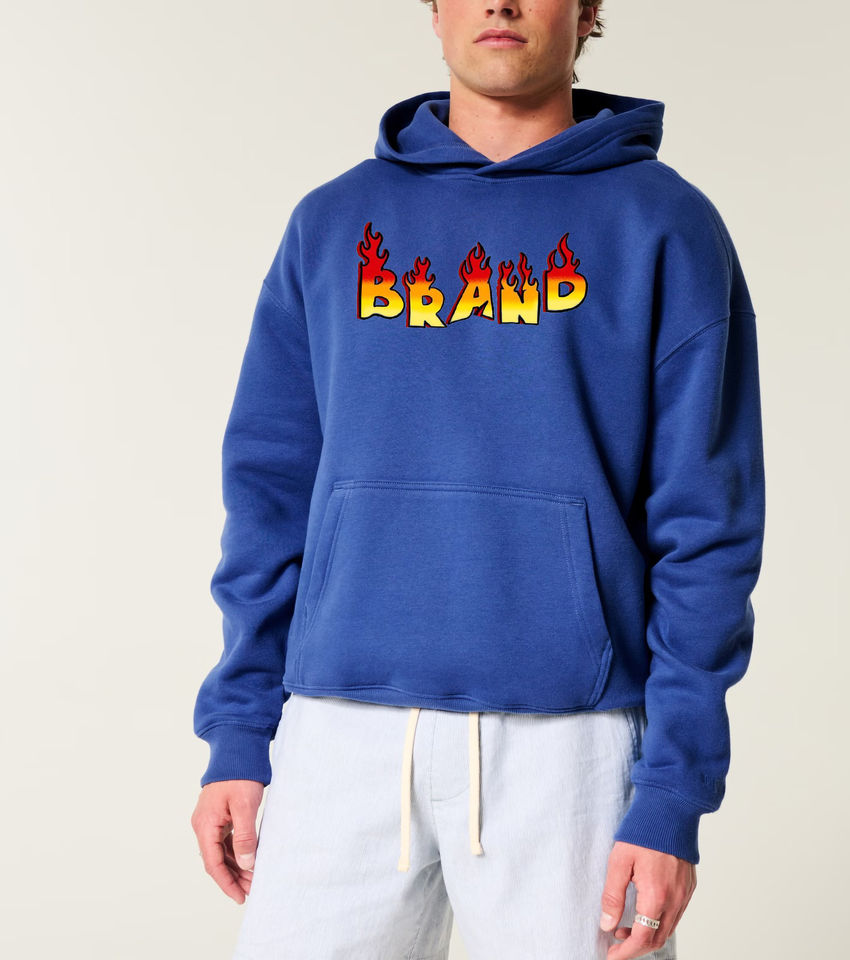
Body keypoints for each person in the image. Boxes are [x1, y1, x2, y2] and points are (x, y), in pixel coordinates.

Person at [190, 2, 765, 958]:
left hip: (569, 743)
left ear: (587, 11)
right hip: (334, 732)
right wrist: (240, 732)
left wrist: (672, 792)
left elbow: (708, 526)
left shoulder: (664, 225)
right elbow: (268, 494)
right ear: (435, 8)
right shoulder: (332, 224)